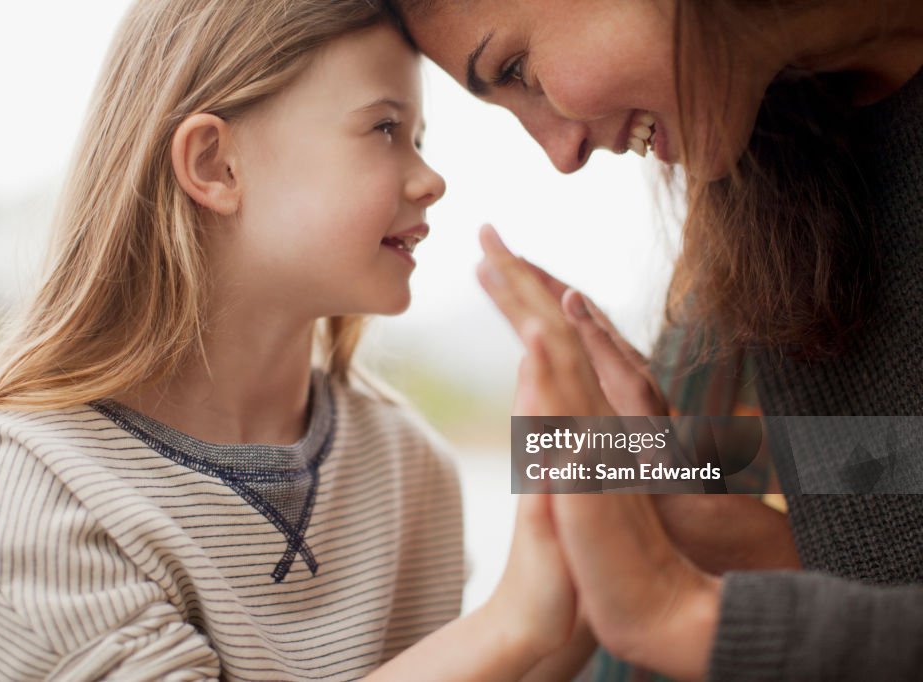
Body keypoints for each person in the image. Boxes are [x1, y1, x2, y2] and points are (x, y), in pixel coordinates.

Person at [0, 2, 589, 679]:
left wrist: (637, 474)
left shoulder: (406, 463)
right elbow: (504, 638)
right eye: (385, 128)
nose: (430, 179)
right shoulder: (44, 475)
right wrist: (511, 621)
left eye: (419, 137)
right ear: (215, 165)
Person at [386, 0, 923, 679]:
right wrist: (693, 501)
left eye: (517, 67)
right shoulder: (779, 189)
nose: (561, 155)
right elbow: (892, 510)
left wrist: (680, 612)